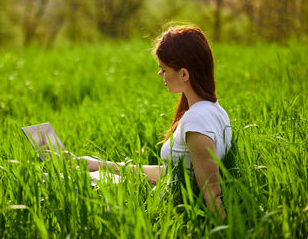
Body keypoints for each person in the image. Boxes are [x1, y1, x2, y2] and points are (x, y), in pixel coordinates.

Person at [78, 26, 232, 219]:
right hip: (159, 204)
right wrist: (99, 165)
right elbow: (172, 175)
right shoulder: (216, 110)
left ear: (184, 74)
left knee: (72, 185)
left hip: (163, 215)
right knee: (85, 174)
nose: (160, 75)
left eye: (164, 69)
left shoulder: (196, 121)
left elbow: (212, 195)